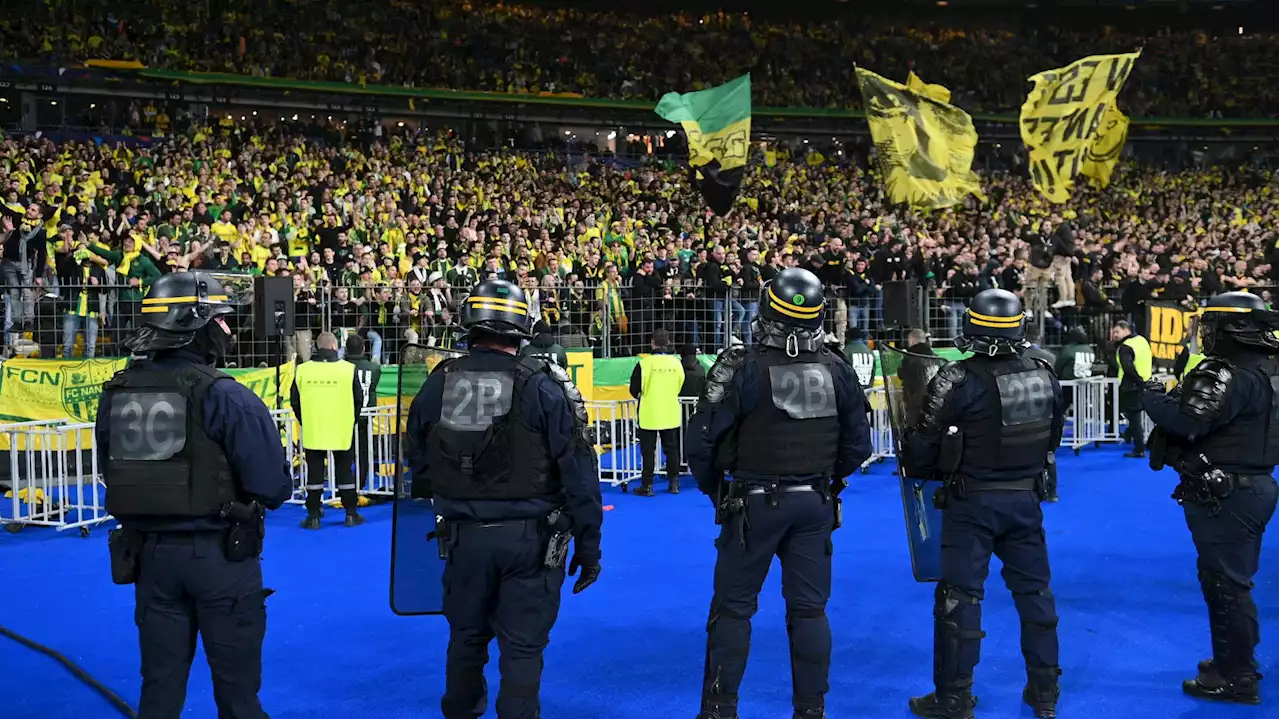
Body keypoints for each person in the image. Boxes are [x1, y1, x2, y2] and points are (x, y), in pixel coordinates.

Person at [404, 278, 603, 719]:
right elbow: (579, 472)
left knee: (466, 638)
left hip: (462, 538)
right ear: (521, 327)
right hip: (531, 542)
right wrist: (589, 546)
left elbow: (416, 458)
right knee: (523, 648)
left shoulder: (439, 382)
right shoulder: (544, 385)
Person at [97, 271, 291, 718]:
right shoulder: (226, 395)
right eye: (220, 320)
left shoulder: (116, 392)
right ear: (194, 325)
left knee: (159, 690)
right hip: (219, 558)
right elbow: (272, 487)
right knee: (238, 694)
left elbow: (112, 469)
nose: (227, 329)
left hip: (150, 560)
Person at [686, 267, 872, 719]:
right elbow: (858, 447)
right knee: (809, 612)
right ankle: (811, 710)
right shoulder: (837, 367)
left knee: (732, 610)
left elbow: (700, 445)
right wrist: (828, 481)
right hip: (815, 503)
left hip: (751, 503)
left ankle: (719, 710)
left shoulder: (739, 365)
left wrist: (720, 493)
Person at [901, 288, 1065, 719]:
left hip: (971, 503)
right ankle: (1044, 693)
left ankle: (953, 697)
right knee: (1036, 595)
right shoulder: (1045, 372)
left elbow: (921, 452)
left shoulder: (955, 379)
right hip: (1025, 500)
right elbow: (1053, 439)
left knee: (959, 598)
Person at [1141, 291, 1280, 704]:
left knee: (1226, 586)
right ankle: (1235, 658)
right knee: (1231, 582)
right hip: (1254, 487)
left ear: (1228, 328)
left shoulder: (1225, 371)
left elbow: (1186, 422)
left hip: (1228, 493)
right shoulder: (1271, 368)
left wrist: (1151, 397)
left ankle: (1235, 675)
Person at [291, 331, 365, 529]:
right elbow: (359, 399)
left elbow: (294, 401)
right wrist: (350, 421)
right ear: (334, 347)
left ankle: (313, 516)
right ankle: (350, 513)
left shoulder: (302, 370)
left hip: (314, 428)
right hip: (341, 428)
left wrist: (306, 420)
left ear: (317, 346)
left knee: (314, 474)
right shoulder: (348, 369)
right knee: (345, 472)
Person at [630, 328, 685, 496]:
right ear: (668, 343)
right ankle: (674, 483)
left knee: (648, 451)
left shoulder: (644, 363)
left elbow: (634, 389)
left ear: (652, 343)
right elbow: (680, 383)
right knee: (672, 449)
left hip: (649, 412)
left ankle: (647, 485)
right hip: (670, 411)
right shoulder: (676, 363)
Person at [346, 333, 382, 490]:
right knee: (364, 451)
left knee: (344, 452)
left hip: (346, 415)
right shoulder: (374, 368)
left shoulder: (342, 367)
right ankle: (360, 484)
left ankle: (345, 484)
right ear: (364, 349)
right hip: (366, 414)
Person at [1112, 320, 1153, 458]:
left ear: (1126, 330)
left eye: (1117, 332)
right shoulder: (1142, 341)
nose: (1114, 335)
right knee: (1135, 416)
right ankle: (1130, 435)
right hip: (1145, 383)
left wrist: (1137, 381)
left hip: (1131, 385)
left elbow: (1128, 367)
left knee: (1134, 418)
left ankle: (1139, 448)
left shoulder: (1125, 346)